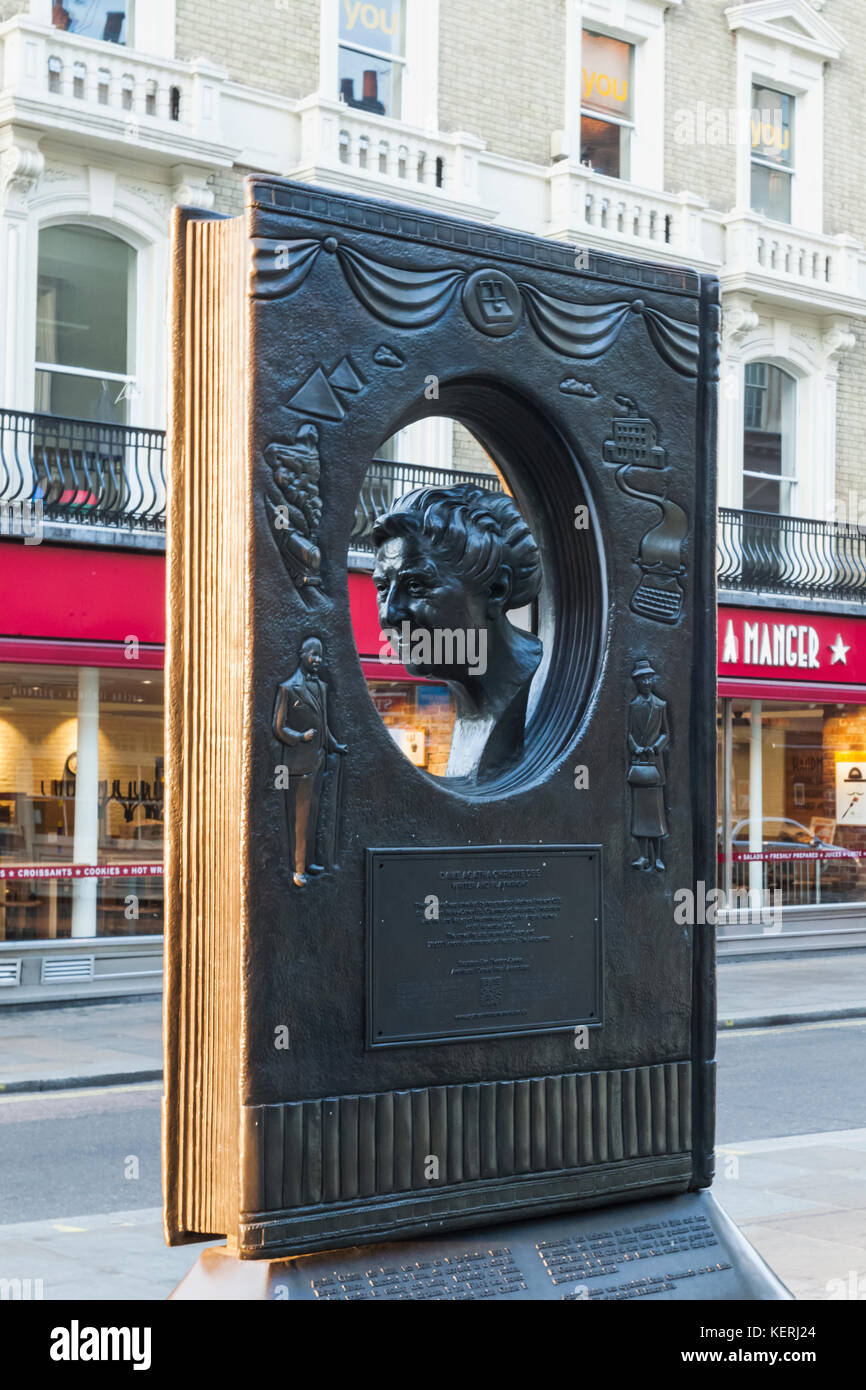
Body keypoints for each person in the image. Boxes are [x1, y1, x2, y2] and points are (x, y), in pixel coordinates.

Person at [371, 484, 543, 780]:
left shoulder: (547, 692)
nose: (390, 613)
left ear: (495, 591)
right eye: (382, 588)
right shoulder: (467, 703)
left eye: (416, 586)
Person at [273, 637, 347, 888]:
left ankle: (311, 860)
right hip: (295, 766)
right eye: (313, 655)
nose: (317, 660)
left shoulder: (322, 687)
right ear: (301, 654)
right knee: (299, 820)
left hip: (317, 762)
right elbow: (279, 727)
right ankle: (298, 868)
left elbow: (323, 724)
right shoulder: (288, 688)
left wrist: (334, 745)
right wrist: (300, 737)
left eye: (321, 656)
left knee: (313, 815)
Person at [627, 658, 669, 872]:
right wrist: (636, 748)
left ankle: (659, 857)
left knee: (657, 817)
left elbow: (666, 733)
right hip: (639, 765)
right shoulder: (633, 706)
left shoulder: (661, 705)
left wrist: (655, 747)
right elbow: (628, 734)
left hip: (655, 767)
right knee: (641, 817)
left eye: (649, 678)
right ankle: (643, 856)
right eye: (643, 679)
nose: (647, 682)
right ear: (637, 682)